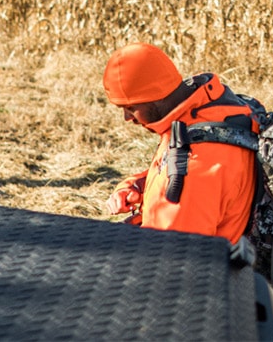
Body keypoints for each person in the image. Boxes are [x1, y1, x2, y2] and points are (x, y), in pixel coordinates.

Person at [101, 42, 258, 244]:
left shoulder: (196, 165)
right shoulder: (206, 114)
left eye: (130, 108)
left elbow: (171, 258)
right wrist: (137, 186)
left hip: (209, 270)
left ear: (155, 97)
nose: (126, 118)